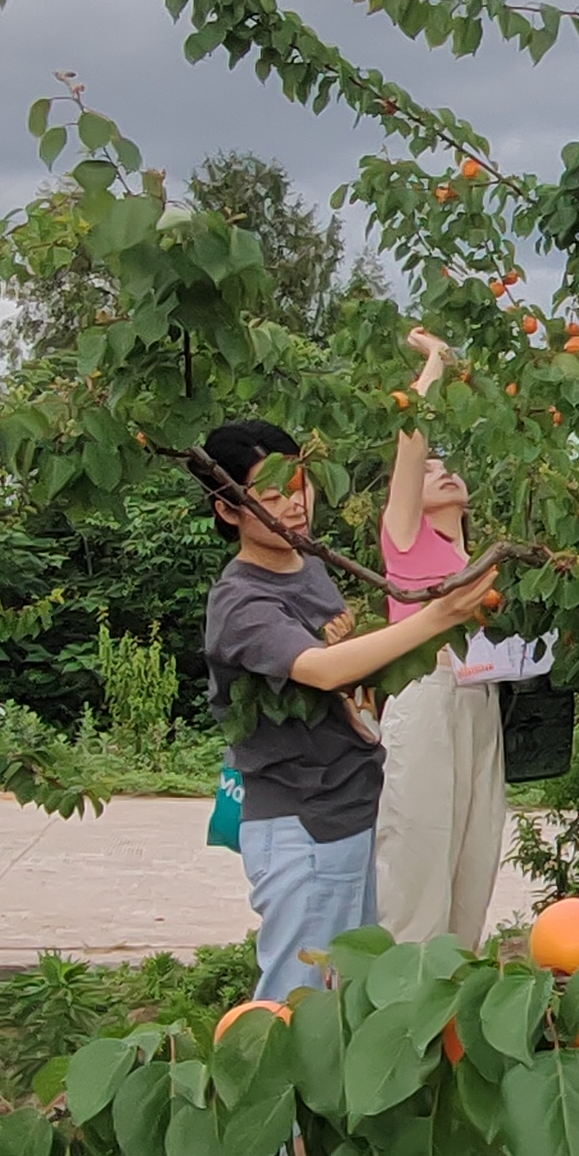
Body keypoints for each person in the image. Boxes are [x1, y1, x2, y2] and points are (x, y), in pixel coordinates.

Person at [192, 418, 495, 1005]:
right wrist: (437, 616)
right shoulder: (240, 602)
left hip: (353, 807)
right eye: (271, 496)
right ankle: (269, 1096)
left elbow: (343, 682)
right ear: (228, 511)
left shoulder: (308, 565)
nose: (294, 506)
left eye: (299, 486)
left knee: (349, 995)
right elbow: (323, 670)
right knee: (297, 1003)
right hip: (302, 824)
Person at [372, 330, 510, 953]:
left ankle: (456, 997)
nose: (441, 472)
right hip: (423, 692)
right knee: (418, 853)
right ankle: (398, 997)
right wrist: (434, 363)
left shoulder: (477, 557)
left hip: (477, 700)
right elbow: (412, 437)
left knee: (474, 857)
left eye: (450, 468)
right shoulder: (404, 537)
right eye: (429, 472)